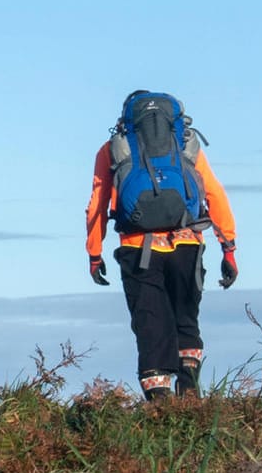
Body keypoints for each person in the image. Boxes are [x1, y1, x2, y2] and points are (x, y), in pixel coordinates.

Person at [85, 90, 238, 401]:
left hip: (137, 247)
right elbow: (214, 193)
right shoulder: (185, 144)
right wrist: (229, 248)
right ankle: (191, 391)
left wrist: (94, 253)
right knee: (186, 316)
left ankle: (160, 404)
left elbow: (97, 204)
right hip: (187, 242)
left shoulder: (113, 149)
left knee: (150, 322)